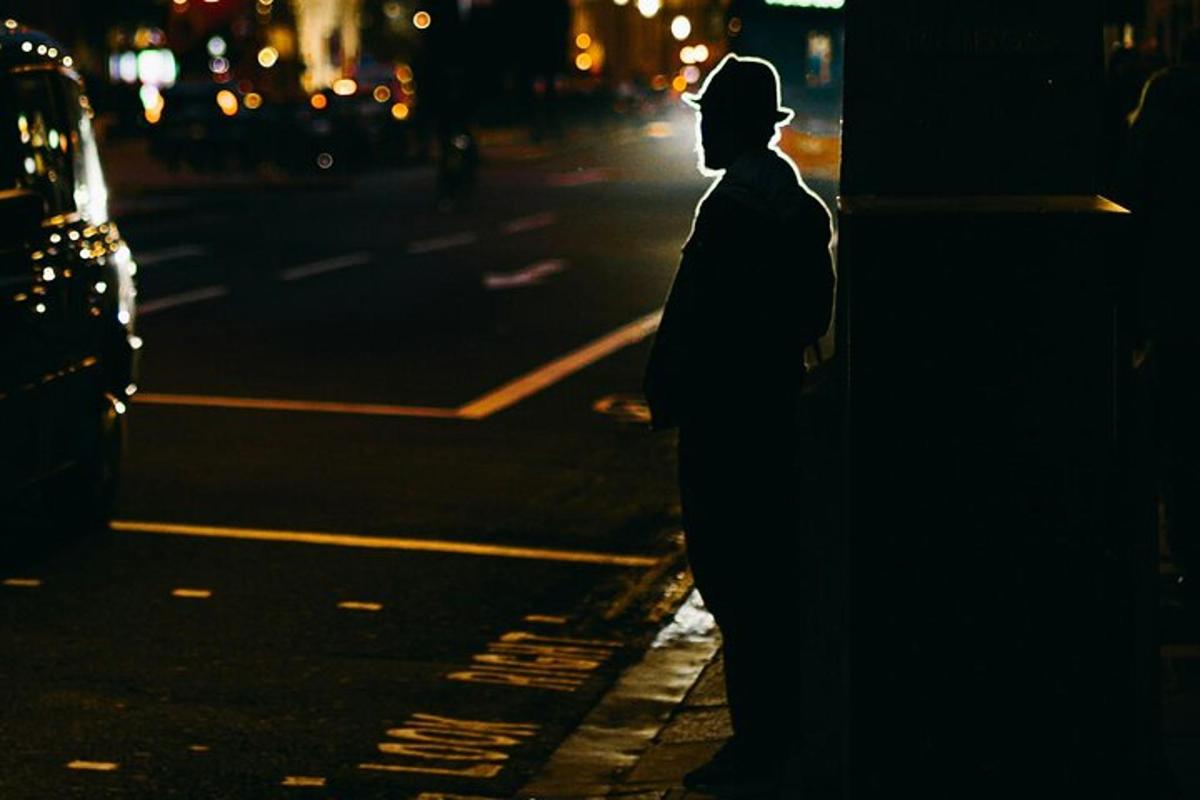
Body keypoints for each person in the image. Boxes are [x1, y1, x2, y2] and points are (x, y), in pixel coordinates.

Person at [643, 54, 835, 794]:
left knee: (733, 580)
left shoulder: (728, 211)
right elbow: (812, 315)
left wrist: (671, 387)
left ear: (738, 126)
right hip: (775, 414)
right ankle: (774, 736)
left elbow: (694, 317)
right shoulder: (802, 210)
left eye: (709, 118)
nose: (700, 130)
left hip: (725, 421)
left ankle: (758, 745)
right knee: (769, 580)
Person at [1126, 29, 1200, 616]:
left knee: (1180, 435)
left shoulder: (1166, 102)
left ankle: (1189, 553)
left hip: (1176, 301)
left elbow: (1136, 198)